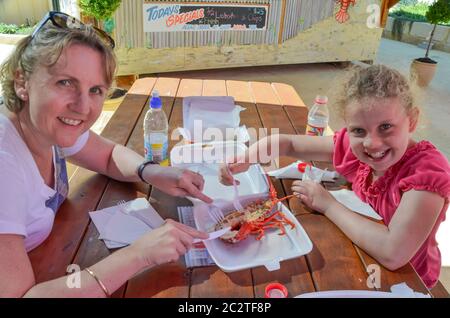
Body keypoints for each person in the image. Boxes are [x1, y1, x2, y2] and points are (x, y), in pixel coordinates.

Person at [0, 11, 213, 297]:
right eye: (65, 82)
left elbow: (107, 155)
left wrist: (154, 172)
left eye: (96, 90)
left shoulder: (45, 127)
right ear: (22, 82)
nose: (83, 106)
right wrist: (140, 255)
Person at [220, 65, 450, 289]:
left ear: (412, 121)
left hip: (406, 279)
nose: (372, 143)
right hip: (358, 247)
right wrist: (247, 157)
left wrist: (328, 205)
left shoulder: (426, 175)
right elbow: (288, 143)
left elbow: (393, 253)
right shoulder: (357, 149)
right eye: (358, 130)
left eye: (386, 126)